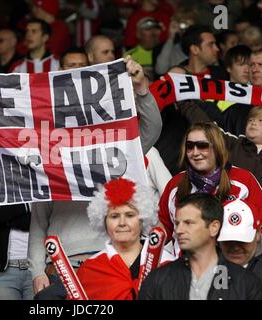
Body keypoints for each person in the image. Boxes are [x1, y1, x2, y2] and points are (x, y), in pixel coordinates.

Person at [31, 55, 163, 299]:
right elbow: (38, 221)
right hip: (61, 268)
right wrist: (37, 271)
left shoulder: (118, 149)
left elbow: (152, 128)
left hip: (111, 264)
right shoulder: (49, 154)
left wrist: (141, 87)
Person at [158, 121, 262, 262]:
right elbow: (160, 233)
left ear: (217, 147)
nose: (195, 153)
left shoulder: (244, 180)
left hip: (234, 272)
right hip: (184, 273)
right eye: (190, 146)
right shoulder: (175, 184)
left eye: (202, 146)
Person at [139, 193, 262, 300]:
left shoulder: (246, 283)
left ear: (214, 228)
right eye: (177, 223)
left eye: (189, 223)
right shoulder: (158, 280)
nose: (179, 230)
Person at [76, 177, 157, 300]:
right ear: (104, 222)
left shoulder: (164, 262)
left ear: (143, 220)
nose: (122, 223)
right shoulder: (89, 269)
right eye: (114, 216)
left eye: (130, 215)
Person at [125, 17, 162, 81]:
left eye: (156, 29)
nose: (153, 33)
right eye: (148, 29)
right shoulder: (130, 55)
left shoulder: (165, 52)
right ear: (138, 34)